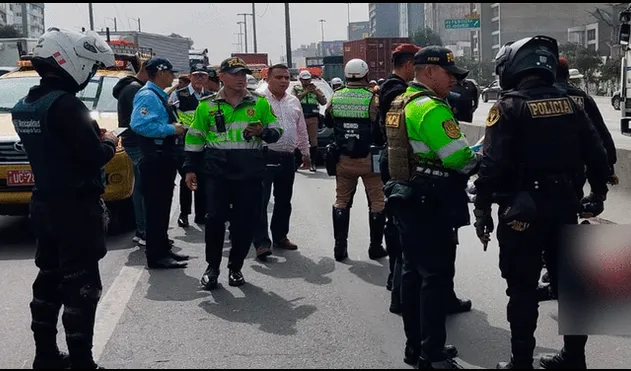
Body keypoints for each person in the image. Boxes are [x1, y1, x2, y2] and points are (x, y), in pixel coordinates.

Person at [472, 35, 610, 369]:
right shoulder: (573, 103)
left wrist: (481, 210)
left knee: (521, 289)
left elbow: (491, 166)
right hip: (565, 205)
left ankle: (521, 363)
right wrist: (599, 195)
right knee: (572, 288)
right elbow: (599, 155)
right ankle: (574, 359)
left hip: (522, 212)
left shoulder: (507, 106)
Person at [12, 27, 116, 369]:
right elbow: (91, 156)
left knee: (48, 279)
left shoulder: (25, 105)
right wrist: (109, 142)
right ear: (71, 62)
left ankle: (44, 357)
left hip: (44, 202)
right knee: (82, 285)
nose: (88, 75)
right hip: (75, 206)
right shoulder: (66, 105)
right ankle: (82, 363)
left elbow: (58, 146)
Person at [383, 46, 479, 369]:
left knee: (412, 275)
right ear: (428, 72)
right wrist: (477, 156)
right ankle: (432, 354)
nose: (453, 80)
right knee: (435, 279)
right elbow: (458, 158)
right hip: (431, 200)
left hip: (406, 197)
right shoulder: (431, 108)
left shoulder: (401, 102)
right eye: (449, 74)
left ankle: (416, 347)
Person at [183, 57, 283, 289]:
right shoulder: (206, 105)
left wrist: (263, 132)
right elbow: (195, 137)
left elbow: (277, 130)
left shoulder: (259, 103)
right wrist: (189, 168)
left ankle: (235, 267)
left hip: (249, 173)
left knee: (244, 223)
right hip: (217, 173)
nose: (241, 78)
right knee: (215, 220)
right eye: (236, 73)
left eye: (243, 74)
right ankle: (212, 268)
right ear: (222, 77)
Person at [324, 58, 387, 262]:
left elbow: (328, 119)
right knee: (377, 202)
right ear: (366, 75)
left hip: (343, 159)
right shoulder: (372, 98)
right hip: (370, 159)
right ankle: (375, 247)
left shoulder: (336, 96)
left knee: (341, 200)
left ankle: (340, 247)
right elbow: (379, 125)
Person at [131, 57, 189, 269]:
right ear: (161, 72)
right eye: (170, 72)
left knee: (162, 208)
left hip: (163, 158)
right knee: (156, 209)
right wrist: (172, 129)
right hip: (154, 159)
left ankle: (162, 248)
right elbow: (140, 125)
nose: (173, 76)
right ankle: (156, 256)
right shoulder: (147, 96)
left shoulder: (158, 95)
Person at [377, 43, 421, 315]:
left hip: (393, 159)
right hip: (400, 162)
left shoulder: (387, 87)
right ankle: (400, 290)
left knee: (399, 224)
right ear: (409, 66)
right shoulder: (398, 91)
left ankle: (397, 284)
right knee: (403, 228)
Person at [252, 64, 311, 260]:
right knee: (260, 200)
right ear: (268, 78)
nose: (284, 81)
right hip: (264, 156)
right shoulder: (258, 101)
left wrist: (305, 152)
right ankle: (261, 242)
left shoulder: (293, 101)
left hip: (287, 157)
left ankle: (280, 236)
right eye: (279, 77)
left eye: (286, 77)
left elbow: (301, 128)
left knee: (284, 200)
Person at [554, 57, 618, 190]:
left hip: (541, 173)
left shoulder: (539, 97)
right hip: (576, 168)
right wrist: (609, 168)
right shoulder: (583, 97)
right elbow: (600, 133)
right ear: (567, 75)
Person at [113, 58, 149, 246]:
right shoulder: (135, 89)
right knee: (143, 188)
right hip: (137, 142)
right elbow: (144, 120)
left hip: (134, 142)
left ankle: (143, 229)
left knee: (141, 186)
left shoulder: (132, 87)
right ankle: (143, 230)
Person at [171, 63, 210, 228]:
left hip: (205, 143)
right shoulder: (179, 95)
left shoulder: (211, 96)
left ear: (207, 78)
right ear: (190, 77)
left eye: (202, 75)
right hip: (184, 143)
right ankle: (184, 213)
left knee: (203, 179)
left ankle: (201, 214)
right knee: (187, 178)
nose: (199, 78)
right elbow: (170, 114)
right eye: (196, 75)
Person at [292, 70, 327, 171]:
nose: (307, 82)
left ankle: (313, 163)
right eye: (304, 80)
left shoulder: (316, 89)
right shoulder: (296, 89)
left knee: (313, 140)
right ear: (300, 80)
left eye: (308, 79)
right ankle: (298, 162)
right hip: (300, 117)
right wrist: (306, 92)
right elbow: (293, 100)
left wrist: (315, 92)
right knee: (299, 140)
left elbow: (324, 102)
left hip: (312, 118)